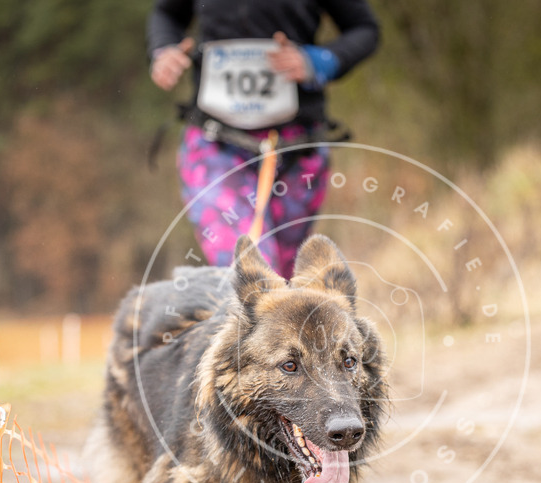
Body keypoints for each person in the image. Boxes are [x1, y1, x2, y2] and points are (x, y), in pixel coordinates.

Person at [147, 0, 379, 279]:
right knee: (253, 266)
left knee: (281, 275)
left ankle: (267, 321)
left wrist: (318, 61)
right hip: (214, 144)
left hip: (297, 149)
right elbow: (167, 13)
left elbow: (365, 28)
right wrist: (164, 50)